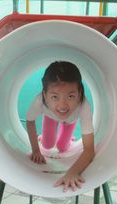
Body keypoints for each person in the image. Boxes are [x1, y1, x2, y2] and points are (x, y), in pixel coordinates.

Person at [26, 61, 95, 192]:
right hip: (50, 116)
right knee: (47, 145)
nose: (62, 105)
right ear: (45, 95)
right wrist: (36, 150)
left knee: (62, 147)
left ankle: (68, 139)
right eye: (54, 97)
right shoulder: (39, 101)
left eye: (70, 96)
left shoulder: (84, 106)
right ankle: (43, 138)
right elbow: (30, 122)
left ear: (79, 93)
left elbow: (89, 150)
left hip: (70, 120)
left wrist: (72, 172)